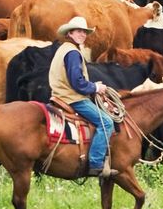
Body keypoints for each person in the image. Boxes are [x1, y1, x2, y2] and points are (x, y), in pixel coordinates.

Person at [46, 16, 117, 177]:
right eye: (79, 31)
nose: (82, 35)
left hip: (60, 95)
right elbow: (77, 83)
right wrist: (95, 87)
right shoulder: (72, 53)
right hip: (73, 98)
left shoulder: (63, 49)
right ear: (70, 33)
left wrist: (91, 85)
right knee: (106, 122)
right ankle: (96, 163)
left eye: (84, 32)